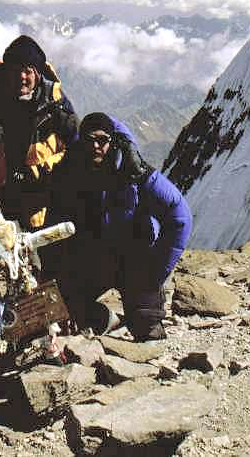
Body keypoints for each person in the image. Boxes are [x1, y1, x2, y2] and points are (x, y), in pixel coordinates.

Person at [45, 112, 192, 342]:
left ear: (112, 141)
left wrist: (157, 272)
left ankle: (141, 318)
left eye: (102, 139)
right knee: (64, 316)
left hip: (135, 260)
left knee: (147, 330)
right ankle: (106, 319)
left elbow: (179, 215)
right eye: (89, 139)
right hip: (90, 261)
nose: (96, 146)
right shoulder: (68, 175)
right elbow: (52, 231)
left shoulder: (136, 172)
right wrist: (53, 281)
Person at [0, 35, 78, 231]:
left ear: (37, 73)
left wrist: (46, 167)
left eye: (28, 71)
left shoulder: (56, 104)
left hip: (42, 198)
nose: (22, 77)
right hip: (2, 195)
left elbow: (76, 147)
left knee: (38, 254)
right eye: (16, 70)